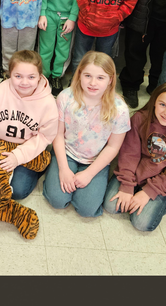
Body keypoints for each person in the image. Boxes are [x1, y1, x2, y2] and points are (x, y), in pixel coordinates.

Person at [42, 52, 130, 217]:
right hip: (67, 152)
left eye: (100, 78)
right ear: (79, 74)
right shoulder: (65, 97)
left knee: (87, 209)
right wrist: (63, 168)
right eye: (87, 75)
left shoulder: (120, 109)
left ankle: (92, 183)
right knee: (57, 200)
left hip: (96, 159)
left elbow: (113, 146)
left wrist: (89, 173)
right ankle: (56, 174)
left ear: (110, 80)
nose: (92, 83)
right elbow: (58, 135)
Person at [104, 81, 166, 232]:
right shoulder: (140, 119)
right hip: (134, 173)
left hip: (160, 181)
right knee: (111, 207)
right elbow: (129, 154)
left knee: (141, 223)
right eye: (162, 105)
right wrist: (127, 186)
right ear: (154, 102)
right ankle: (138, 195)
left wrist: (149, 192)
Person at [0, 50, 58, 200]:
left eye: (31, 77)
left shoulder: (48, 103)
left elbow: (45, 137)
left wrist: (18, 157)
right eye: (18, 76)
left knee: (15, 191)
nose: (24, 82)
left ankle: (39, 168)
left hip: (27, 148)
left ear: (39, 77)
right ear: (9, 74)